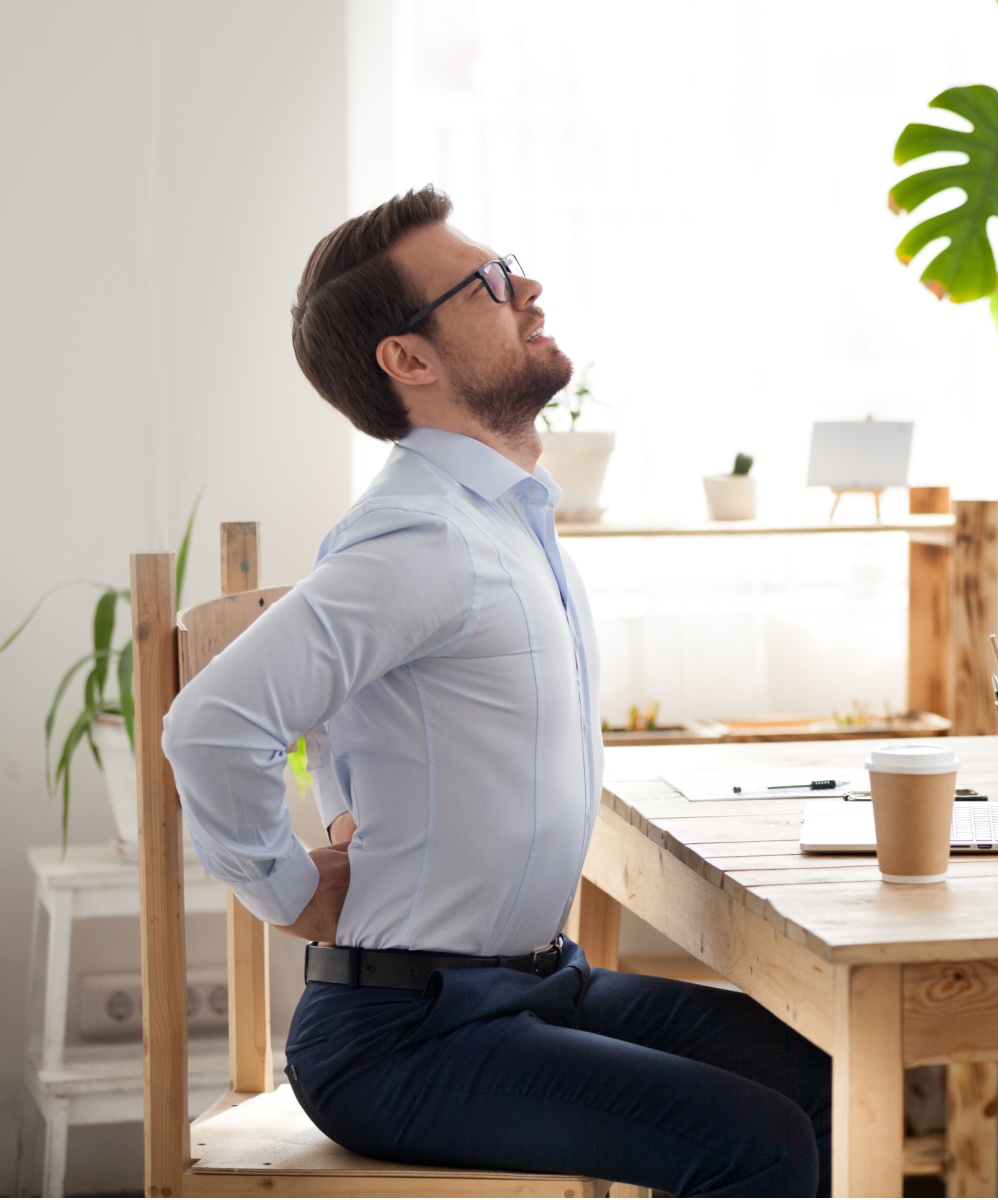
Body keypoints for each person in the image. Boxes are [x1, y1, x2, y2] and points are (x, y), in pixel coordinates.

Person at [162, 185, 832, 1197]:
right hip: (401, 1038)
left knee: (822, 1072)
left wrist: (352, 811)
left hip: (527, 985)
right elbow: (212, 726)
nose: (527, 287)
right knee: (757, 1141)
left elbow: (388, 730)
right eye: (484, 285)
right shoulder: (426, 538)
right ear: (410, 359)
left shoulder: (496, 517)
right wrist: (290, 895)